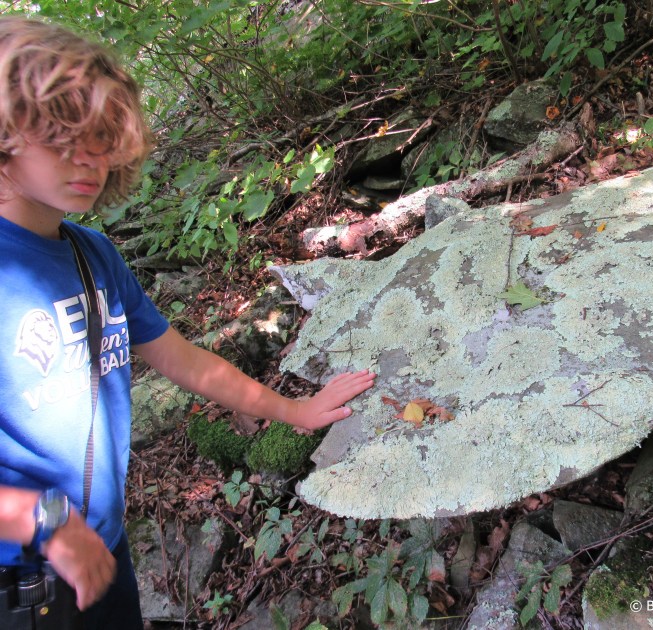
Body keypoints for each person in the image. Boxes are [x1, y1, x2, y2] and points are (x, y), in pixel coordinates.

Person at [0, 15, 375, 628]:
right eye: (65, 137)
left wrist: (295, 411)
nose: (91, 158)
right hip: (22, 576)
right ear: (7, 133)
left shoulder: (92, 254)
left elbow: (186, 360)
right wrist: (44, 523)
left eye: (102, 137)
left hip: (101, 554)